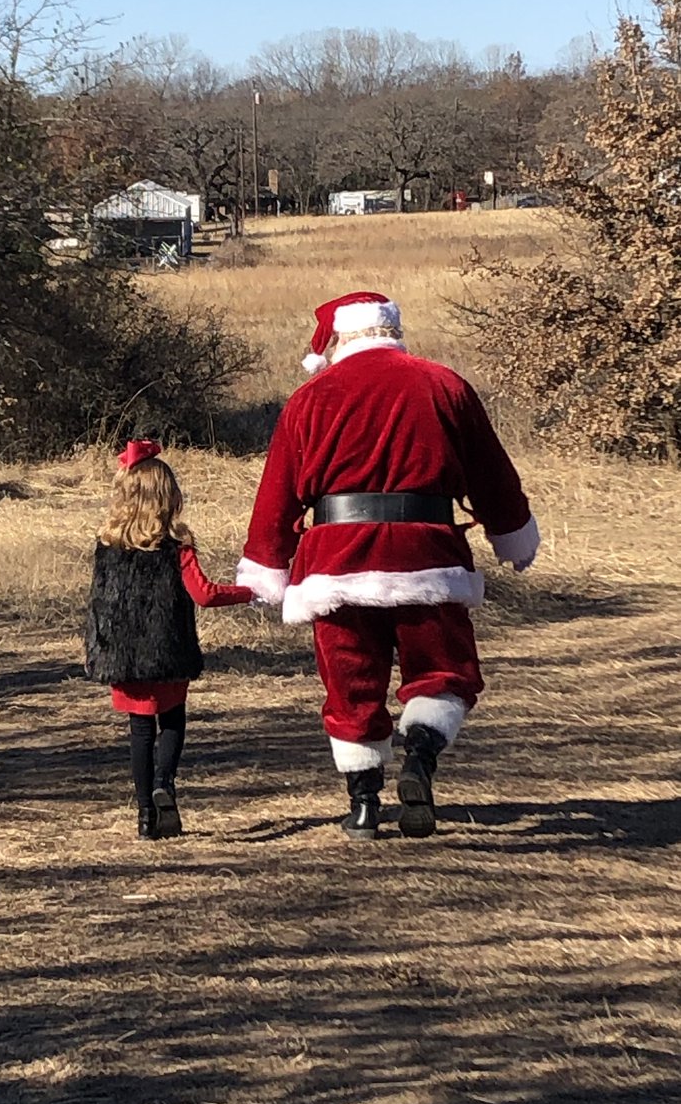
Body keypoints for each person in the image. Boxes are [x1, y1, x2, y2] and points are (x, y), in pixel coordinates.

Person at [237, 291, 539, 841]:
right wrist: (510, 533)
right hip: (426, 557)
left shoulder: (310, 400)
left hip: (335, 563)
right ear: (393, 331)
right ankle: (420, 760)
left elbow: (277, 494)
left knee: (351, 684)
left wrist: (266, 565)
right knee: (443, 672)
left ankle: (363, 805)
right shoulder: (444, 385)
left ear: (334, 341)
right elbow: (491, 474)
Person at [86, 440, 253, 840]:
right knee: (173, 720)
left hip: (124, 655)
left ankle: (145, 817)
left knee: (139, 730)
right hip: (169, 649)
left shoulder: (106, 547)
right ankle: (165, 784)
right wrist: (250, 591)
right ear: (169, 497)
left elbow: (98, 602)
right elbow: (204, 594)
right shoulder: (177, 548)